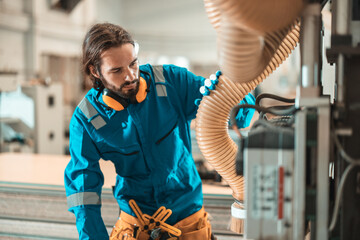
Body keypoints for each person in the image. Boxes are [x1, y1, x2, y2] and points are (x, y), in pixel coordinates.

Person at [64, 22, 255, 240]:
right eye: (116, 70)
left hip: (188, 221)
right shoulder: (86, 118)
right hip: (136, 224)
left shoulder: (171, 82)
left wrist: (229, 96)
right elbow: (83, 190)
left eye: (133, 64)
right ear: (95, 71)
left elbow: (242, 116)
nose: (130, 76)